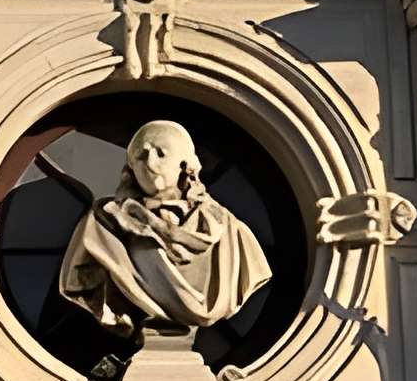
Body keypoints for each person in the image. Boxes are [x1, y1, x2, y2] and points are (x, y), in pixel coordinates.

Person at [55, 117, 270, 337]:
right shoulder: (103, 224)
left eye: (161, 153)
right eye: (141, 155)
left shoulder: (230, 232)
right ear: (130, 169)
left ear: (185, 165)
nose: (149, 162)